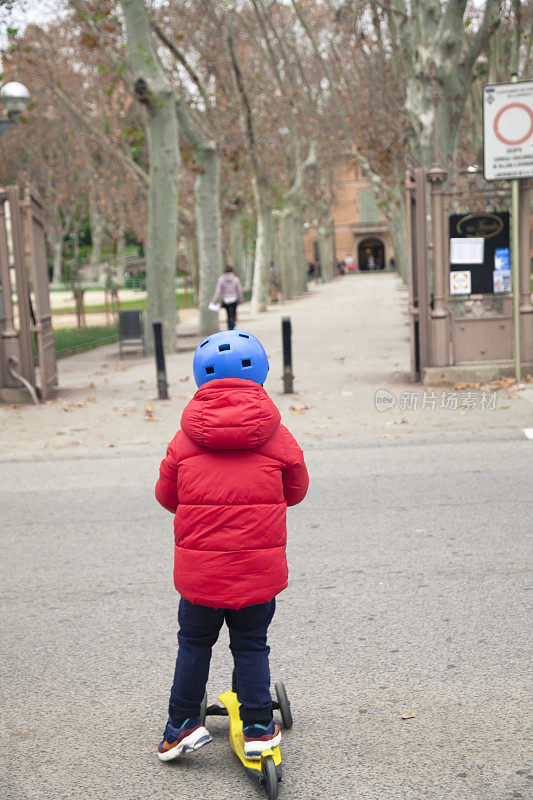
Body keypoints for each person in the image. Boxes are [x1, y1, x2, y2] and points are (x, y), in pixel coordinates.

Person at [155, 330, 309, 763]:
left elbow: (167, 497)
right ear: (260, 375)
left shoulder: (184, 440)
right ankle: (259, 724)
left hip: (200, 575)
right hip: (256, 573)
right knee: (251, 643)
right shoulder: (279, 437)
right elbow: (296, 491)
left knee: (194, 643)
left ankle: (182, 723)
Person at [211, 266, 243, 330]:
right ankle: (232, 325)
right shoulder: (236, 279)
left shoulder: (221, 279)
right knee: (233, 313)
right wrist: (241, 299)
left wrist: (215, 301)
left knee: (228, 313)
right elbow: (239, 290)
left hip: (225, 299)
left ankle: (229, 326)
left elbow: (218, 291)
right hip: (234, 299)